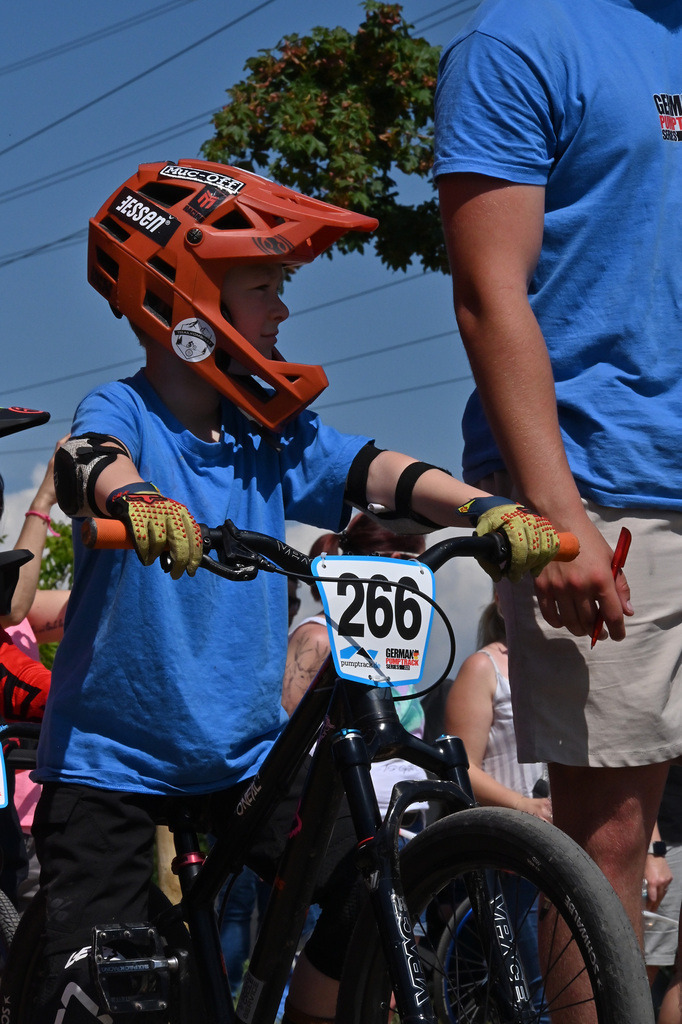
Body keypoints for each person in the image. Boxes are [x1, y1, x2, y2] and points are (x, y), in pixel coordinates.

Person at [31, 158, 561, 1024]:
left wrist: (488, 507)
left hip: (241, 757)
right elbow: (87, 459)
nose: (282, 309)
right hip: (112, 764)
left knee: (376, 879)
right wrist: (137, 499)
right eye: (266, 286)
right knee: (101, 992)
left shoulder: (270, 437)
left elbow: (373, 468)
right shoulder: (125, 411)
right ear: (190, 302)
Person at [434, 0, 682, 956]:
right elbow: (487, 290)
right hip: (603, 483)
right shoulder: (521, 40)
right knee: (608, 841)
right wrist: (555, 516)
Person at [283, 513, 429, 826]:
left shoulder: (394, 642)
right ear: (395, 560)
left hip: (408, 812)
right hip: (349, 815)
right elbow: (290, 749)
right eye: (420, 563)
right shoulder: (319, 637)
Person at [444, 596, 551, 1023]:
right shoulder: (483, 667)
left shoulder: (559, 663)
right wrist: (525, 806)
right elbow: (460, 768)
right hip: (513, 849)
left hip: (562, 846)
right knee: (537, 995)